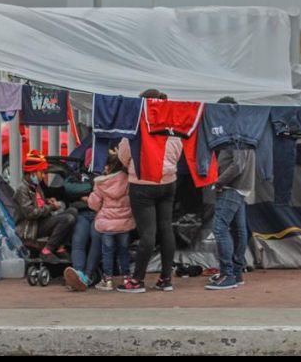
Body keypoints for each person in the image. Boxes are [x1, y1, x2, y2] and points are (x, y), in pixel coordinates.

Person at [116, 89, 183, 294]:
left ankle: (137, 280)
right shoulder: (171, 126)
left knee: (148, 233)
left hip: (142, 183)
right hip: (169, 182)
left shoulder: (137, 126)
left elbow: (123, 155)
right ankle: (165, 278)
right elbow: (178, 151)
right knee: (166, 229)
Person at [206, 96, 253, 290]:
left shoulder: (234, 131)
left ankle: (228, 274)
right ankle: (236, 271)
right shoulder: (246, 126)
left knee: (220, 228)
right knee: (238, 229)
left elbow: (237, 164)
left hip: (232, 186)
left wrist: (219, 181)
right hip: (242, 186)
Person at [12, 150, 77, 264]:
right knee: (68, 219)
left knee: (73, 211)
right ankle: (48, 250)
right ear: (32, 172)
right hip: (31, 228)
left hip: (41, 222)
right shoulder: (22, 189)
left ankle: (60, 246)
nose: (43, 176)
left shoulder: (36, 187)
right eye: (41, 173)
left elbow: (39, 202)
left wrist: (48, 201)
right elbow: (31, 213)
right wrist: (50, 208)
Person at [87, 149, 135, 291]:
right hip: (124, 223)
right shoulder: (127, 180)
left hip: (107, 225)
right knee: (124, 251)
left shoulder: (101, 183)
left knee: (107, 252)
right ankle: (126, 277)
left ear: (108, 166)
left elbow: (94, 204)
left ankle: (107, 280)